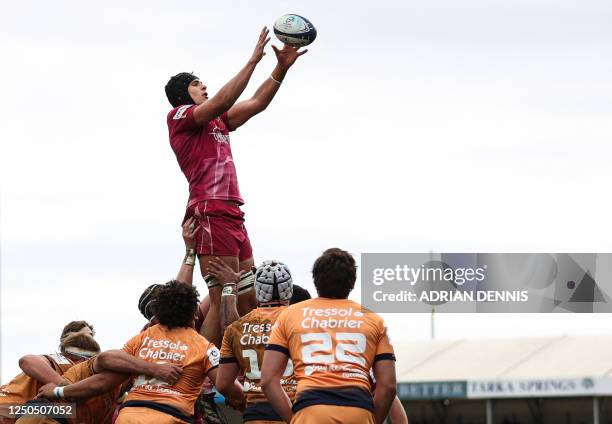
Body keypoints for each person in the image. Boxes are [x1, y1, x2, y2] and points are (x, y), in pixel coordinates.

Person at [164, 27, 307, 348]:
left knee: (246, 295)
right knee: (220, 298)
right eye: (196, 84)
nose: (203, 87)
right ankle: (209, 373)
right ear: (182, 95)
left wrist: (280, 68)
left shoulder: (217, 122)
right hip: (210, 210)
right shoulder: (179, 116)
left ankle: (246, 362)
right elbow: (222, 100)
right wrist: (253, 60)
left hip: (231, 212)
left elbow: (256, 102)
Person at [261, 248, 397, 424]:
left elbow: (268, 380)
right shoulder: (374, 320)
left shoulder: (290, 315)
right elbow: (388, 385)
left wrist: (293, 419)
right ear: (352, 282)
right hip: (358, 409)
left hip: (310, 409)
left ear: (316, 280)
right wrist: (372, 419)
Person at [116, 281, 241, 423]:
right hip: (170, 417)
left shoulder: (142, 338)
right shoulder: (204, 346)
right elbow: (227, 385)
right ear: (195, 314)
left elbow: (115, 377)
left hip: (128, 416)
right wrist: (249, 405)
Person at [215, 260, 298, 423]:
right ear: (290, 290)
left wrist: (244, 403)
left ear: (257, 291)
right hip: (295, 410)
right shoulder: (301, 321)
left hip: (256, 414)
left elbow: (223, 384)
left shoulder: (235, 328)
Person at [0, 321, 99, 419]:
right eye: (88, 335)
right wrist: (67, 390)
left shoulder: (85, 368)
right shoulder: (59, 359)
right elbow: (27, 361)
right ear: (69, 337)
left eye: (91, 336)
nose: (91, 340)